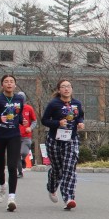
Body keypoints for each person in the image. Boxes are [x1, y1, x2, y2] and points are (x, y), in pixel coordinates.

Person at [41, 79, 85, 210]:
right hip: (55, 140)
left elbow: (80, 116)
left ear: (72, 89)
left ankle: (69, 198)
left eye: (68, 86)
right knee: (57, 169)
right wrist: (57, 123)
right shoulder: (53, 104)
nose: (66, 89)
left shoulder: (77, 103)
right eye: (63, 87)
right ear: (59, 90)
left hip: (71, 139)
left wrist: (80, 123)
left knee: (69, 168)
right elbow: (44, 120)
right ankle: (52, 187)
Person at [0, 74, 25, 211]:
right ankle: (2, 186)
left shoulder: (19, 99)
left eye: (11, 81)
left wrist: (22, 121)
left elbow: (18, 115)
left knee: (12, 166)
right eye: (6, 82)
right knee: (0, 166)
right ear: (2, 85)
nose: (9, 84)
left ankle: (11, 198)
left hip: (14, 136)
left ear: (15, 85)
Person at [16, 92, 37, 178]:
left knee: (23, 152)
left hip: (26, 136)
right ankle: (20, 172)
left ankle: (23, 159)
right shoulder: (14, 108)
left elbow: (34, 121)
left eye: (22, 98)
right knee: (17, 154)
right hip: (16, 135)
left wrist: (30, 128)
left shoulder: (29, 108)